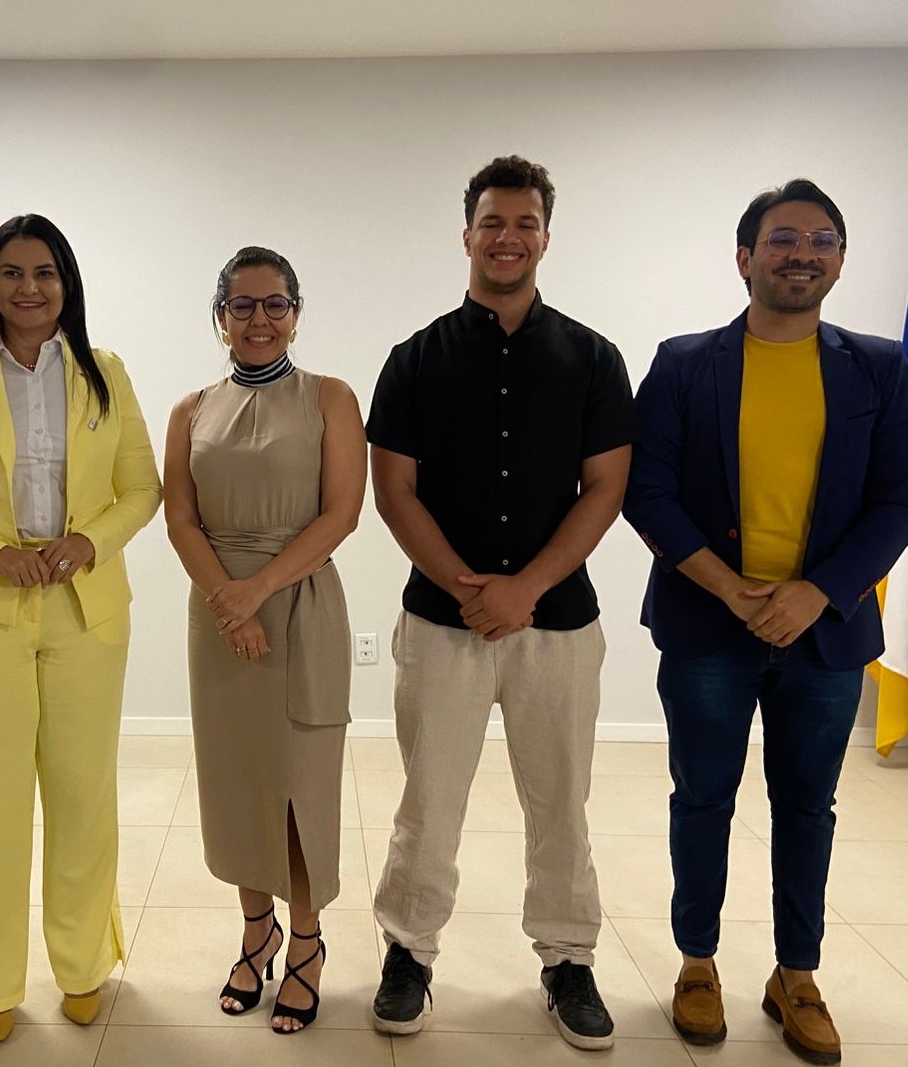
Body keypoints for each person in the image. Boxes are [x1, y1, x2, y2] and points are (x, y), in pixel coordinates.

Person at [622, 179, 908, 1066]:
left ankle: (798, 973)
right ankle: (697, 961)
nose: (803, 253)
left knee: (806, 804)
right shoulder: (684, 363)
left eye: (822, 239)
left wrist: (817, 592)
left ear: (841, 259)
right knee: (702, 797)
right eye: (784, 238)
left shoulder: (879, 366)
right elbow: (648, 492)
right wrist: (728, 588)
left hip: (823, 634)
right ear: (745, 257)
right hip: (707, 624)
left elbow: (900, 500)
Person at [365, 156, 636, 1050]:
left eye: (524, 223)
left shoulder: (594, 359)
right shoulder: (414, 360)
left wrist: (526, 588)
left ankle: (567, 958)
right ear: (467, 234)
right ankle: (408, 951)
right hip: (440, 622)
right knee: (428, 800)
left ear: (546, 237)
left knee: (560, 803)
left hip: (557, 623)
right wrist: (466, 586)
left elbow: (605, 488)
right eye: (492, 222)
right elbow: (394, 491)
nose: (507, 237)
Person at [0, 214, 162, 1044]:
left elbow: (142, 488)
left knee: (84, 795)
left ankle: (83, 965)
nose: (29, 288)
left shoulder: (104, 371)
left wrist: (90, 541)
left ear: (66, 282)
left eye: (44, 272)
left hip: (86, 609)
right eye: (11, 273)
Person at [162, 247, 366, 1034]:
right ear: (220, 316)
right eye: (241, 305)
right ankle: (258, 932)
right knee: (238, 779)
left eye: (274, 304)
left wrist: (257, 591)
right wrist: (229, 600)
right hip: (219, 613)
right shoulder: (191, 410)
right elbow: (181, 517)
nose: (259, 319)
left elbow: (342, 513)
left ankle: (306, 940)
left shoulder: (330, 398)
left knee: (299, 783)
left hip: (300, 601)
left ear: (296, 314)